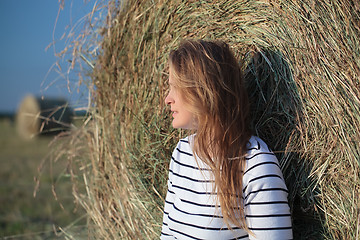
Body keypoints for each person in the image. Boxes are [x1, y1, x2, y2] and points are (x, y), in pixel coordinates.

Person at [161, 39, 293, 240]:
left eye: (174, 87)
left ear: (203, 90)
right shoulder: (181, 153)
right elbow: (168, 235)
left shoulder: (255, 164)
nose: (167, 99)